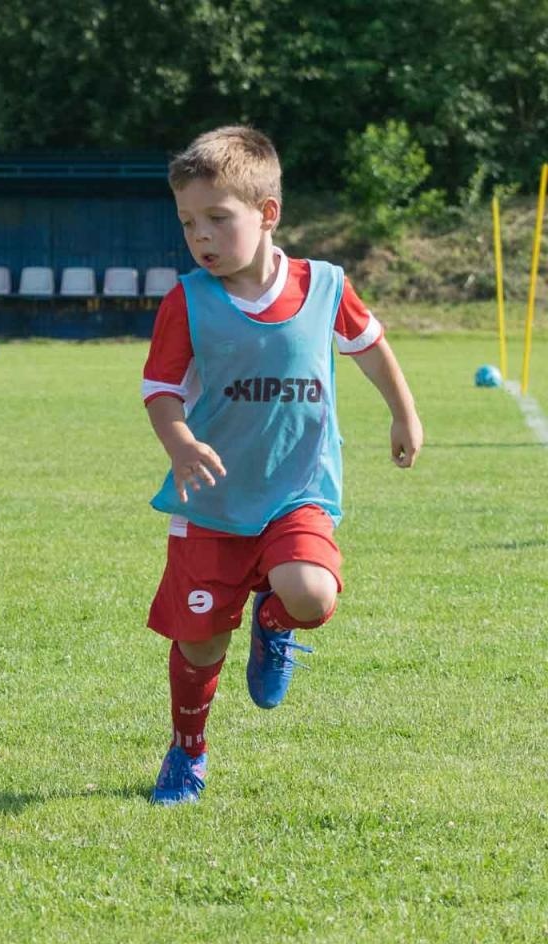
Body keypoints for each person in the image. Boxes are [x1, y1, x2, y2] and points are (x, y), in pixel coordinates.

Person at [141, 125, 423, 805]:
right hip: (211, 504)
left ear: (268, 214)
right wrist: (178, 442)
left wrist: (403, 412)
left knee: (311, 594)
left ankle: (273, 622)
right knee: (201, 644)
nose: (200, 236)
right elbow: (160, 393)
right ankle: (188, 752)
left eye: (217, 218)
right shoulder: (188, 301)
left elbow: (371, 346)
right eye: (188, 223)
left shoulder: (324, 286)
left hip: (297, 492)